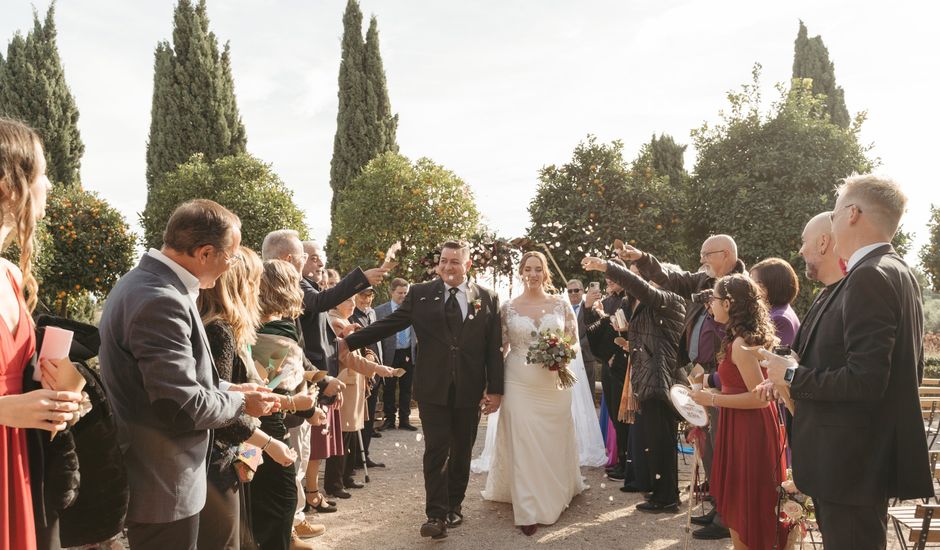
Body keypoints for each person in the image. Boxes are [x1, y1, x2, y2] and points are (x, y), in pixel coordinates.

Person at [760, 176, 932, 549]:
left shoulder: (870, 275)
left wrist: (791, 374)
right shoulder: (897, 270)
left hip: (850, 464)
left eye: (835, 213)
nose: (832, 223)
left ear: (852, 214)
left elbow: (867, 380)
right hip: (857, 462)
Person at [99, 200, 278, 550]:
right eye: (233, 255)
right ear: (206, 252)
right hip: (163, 482)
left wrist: (227, 387)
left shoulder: (150, 284)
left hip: (164, 476)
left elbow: (177, 380)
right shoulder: (159, 298)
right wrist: (241, 401)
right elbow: (180, 405)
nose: (233, 265)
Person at [342, 240, 504, 540]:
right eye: (443, 261)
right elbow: (389, 324)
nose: (447, 267)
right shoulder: (420, 293)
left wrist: (495, 389)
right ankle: (436, 514)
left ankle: (455, 503)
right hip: (433, 386)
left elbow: (493, 348)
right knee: (436, 449)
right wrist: (348, 342)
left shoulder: (488, 298)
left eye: (455, 262)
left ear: (467, 265)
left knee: (462, 450)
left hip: (469, 387)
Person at [619, 234, 745, 541]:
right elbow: (672, 278)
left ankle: (728, 517)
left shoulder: (740, 286)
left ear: (726, 254)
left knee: (723, 447)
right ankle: (719, 509)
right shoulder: (704, 279)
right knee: (710, 446)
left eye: (707, 255)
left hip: (722, 375)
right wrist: (641, 258)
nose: (701, 261)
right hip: (702, 375)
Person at [0, 117, 83, 550]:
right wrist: (4, 411)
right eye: (43, 172)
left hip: (19, 460)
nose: (50, 184)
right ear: (10, 184)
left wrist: (61, 396)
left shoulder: (13, 276)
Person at [196, 246, 302, 550]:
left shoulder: (216, 325)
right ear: (240, 285)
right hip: (225, 452)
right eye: (255, 282)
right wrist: (268, 443)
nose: (259, 291)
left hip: (231, 447)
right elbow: (218, 407)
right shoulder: (220, 330)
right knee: (269, 521)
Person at [481, 251, 590, 535]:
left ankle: (556, 490)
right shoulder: (508, 308)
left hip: (553, 384)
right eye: (527, 269)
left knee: (552, 440)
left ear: (545, 273)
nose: (532, 274)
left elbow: (575, 342)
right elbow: (501, 348)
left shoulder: (561, 305)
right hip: (517, 381)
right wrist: (492, 385)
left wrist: (563, 354)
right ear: (521, 272)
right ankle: (528, 508)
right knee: (523, 441)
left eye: (537, 269)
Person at [690, 275, 787, 550]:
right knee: (743, 501)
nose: (711, 304)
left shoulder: (741, 345)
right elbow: (738, 388)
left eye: (715, 299)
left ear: (730, 304)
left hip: (749, 430)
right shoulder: (738, 339)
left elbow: (759, 399)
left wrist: (710, 398)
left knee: (747, 503)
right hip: (741, 425)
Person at [582, 257, 686, 512]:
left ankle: (666, 498)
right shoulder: (656, 303)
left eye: (651, 277)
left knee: (661, 439)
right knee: (656, 438)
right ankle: (662, 493)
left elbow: (638, 287)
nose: (647, 281)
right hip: (650, 376)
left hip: (659, 379)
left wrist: (608, 267)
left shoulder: (668, 297)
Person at [249, 259, 323, 550]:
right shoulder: (282, 331)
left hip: (251, 426)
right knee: (281, 498)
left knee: (256, 500)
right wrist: (307, 407)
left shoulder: (252, 326)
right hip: (270, 424)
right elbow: (284, 382)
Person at [327, 297, 395, 488]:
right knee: (341, 436)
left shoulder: (345, 320)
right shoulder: (335, 321)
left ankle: (346, 477)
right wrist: (376, 367)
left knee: (350, 434)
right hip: (345, 384)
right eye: (347, 300)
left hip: (354, 384)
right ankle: (335, 482)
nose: (352, 304)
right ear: (336, 303)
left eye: (352, 301)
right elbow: (345, 356)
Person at [583, 261, 631, 480]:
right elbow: (596, 332)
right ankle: (621, 459)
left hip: (625, 365)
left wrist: (615, 355)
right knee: (613, 414)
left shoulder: (631, 298)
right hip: (609, 367)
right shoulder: (608, 301)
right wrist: (589, 310)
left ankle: (629, 462)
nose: (608, 280)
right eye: (607, 277)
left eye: (612, 276)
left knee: (625, 417)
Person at [374, 278, 418, 431]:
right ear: (391, 292)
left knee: (407, 388)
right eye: (400, 293)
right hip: (389, 353)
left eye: (406, 293)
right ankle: (389, 420)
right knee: (389, 388)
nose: (403, 296)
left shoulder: (413, 309)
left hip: (407, 353)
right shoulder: (380, 311)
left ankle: (405, 420)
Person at [350, 288, 385, 466]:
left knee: (369, 417)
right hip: (361, 373)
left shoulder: (372, 313)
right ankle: (355, 458)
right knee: (359, 418)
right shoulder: (351, 315)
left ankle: (365, 455)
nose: (366, 299)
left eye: (370, 296)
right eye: (362, 295)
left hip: (375, 373)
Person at [749, 258, 800, 346]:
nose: (751, 289)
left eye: (757, 284)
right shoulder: (775, 311)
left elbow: (771, 357)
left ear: (774, 286)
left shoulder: (780, 319)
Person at [566, 279, 598, 401]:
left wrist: (577, 347)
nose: (573, 293)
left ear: (583, 291)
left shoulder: (592, 308)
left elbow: (593, 332)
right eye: (570, 291)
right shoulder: (564, 309)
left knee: (587, 396)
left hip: (586, 358)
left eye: (576, 290)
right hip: (568, 361)